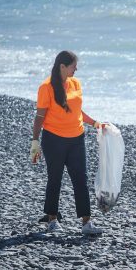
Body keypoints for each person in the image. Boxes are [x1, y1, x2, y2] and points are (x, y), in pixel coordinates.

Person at [30, 50, 106, 235]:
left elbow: (77, 110)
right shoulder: (46, 87)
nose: (76, 69)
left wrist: (95, 123)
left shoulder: (75, 83)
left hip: (76, 139)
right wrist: (35, 141)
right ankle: (53, 220)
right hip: (54, 139)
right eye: (73, 66)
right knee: (54, 178)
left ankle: (86, 223)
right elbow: (40, 116)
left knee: (80, 179)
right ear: (62, 66)